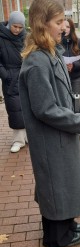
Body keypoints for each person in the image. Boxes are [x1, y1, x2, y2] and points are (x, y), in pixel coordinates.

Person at [19, 0, 80, 247]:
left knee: (65, 184)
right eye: (59, 21)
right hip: (50, 139)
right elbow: (46, 109)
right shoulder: (37, 61)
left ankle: (68, 223)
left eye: (64, 21)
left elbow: (62, 97)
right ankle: (56, 237)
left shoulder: (50, 52)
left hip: (60, 135)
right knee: (56, 186)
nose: (64, 26)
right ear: (43, 24)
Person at [0, 11, 27, 152]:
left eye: (20, 27)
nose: (17, 30)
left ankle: (27, 136)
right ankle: (18, 140)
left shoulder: (26, 37)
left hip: (25, 76)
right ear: (10, 23)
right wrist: (6, 75)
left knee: (28, 107)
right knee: (14, 108)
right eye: (14, 26)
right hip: (10, 78)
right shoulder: (1, 37)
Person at [61, 18, 80, 95]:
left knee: (75, 102)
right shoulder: (56, 43)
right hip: (62, 78)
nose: (65, 29)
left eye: (68, 27)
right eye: (63, 26)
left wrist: (73, 65)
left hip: (76, 77)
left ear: (71, 28)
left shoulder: (79, 42)